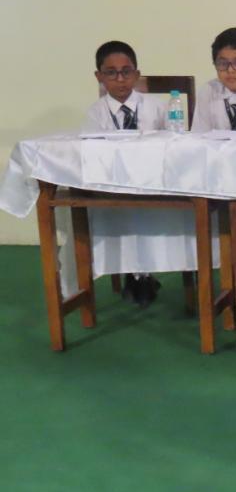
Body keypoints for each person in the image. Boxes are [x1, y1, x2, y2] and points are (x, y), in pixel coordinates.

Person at [83, 41, 167, 306]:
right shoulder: (95, 114)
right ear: (99, 76)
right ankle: (135, 274)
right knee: (118, 214)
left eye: (126, 72)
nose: (120, 79)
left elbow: (172, 145)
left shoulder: (156, 107)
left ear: (137, 74)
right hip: (114, 185)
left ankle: (146, 273)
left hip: (154, 184)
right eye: (111, 73)